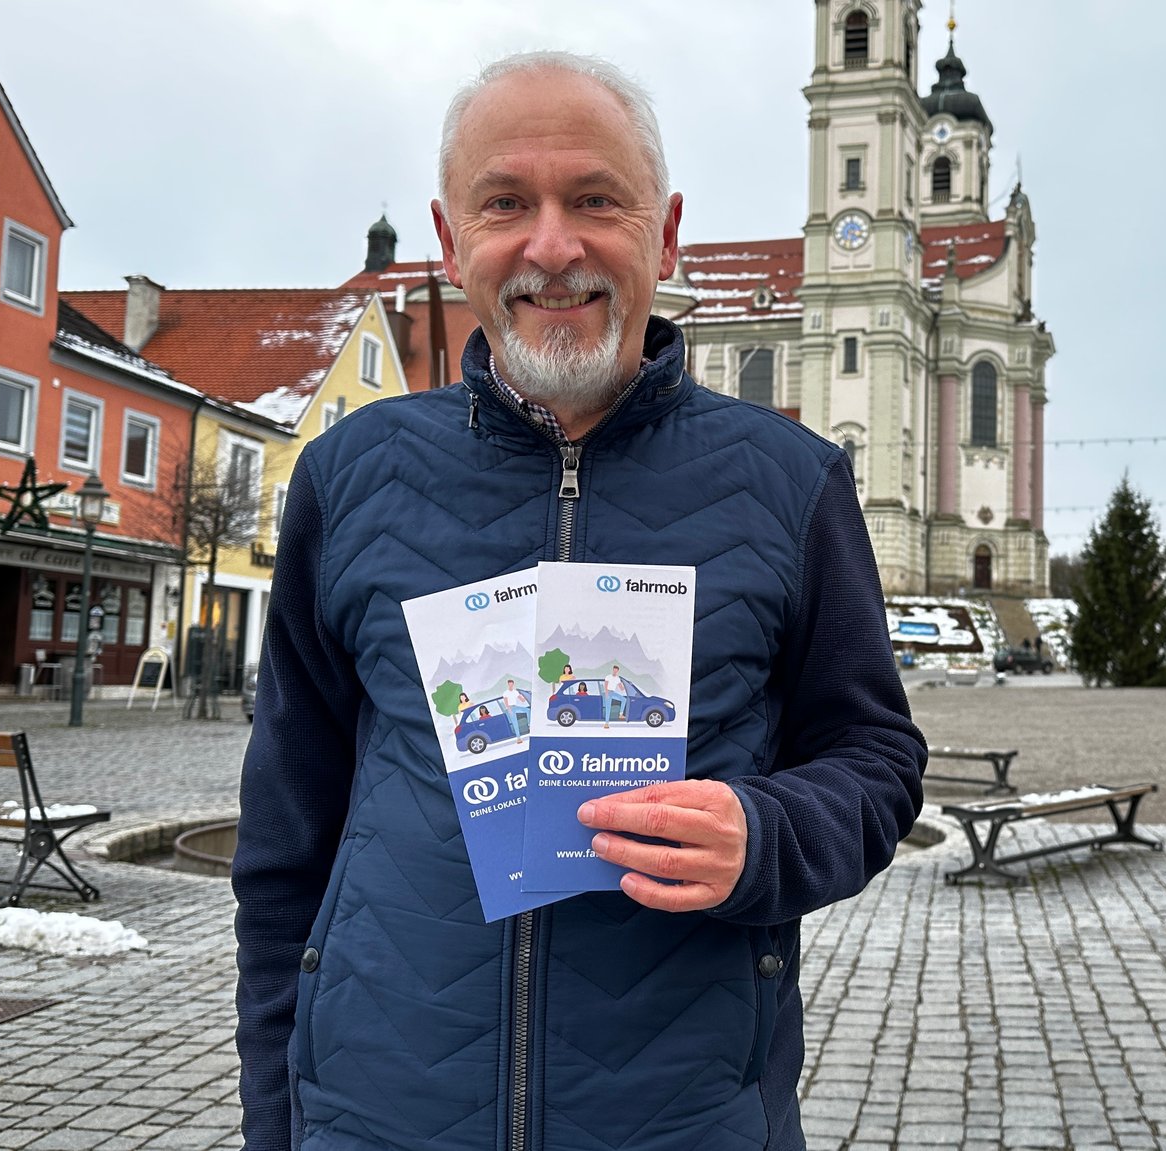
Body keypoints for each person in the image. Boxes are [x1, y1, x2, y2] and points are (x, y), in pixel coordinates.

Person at [233, 50, 924, 1151]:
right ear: (452, 237)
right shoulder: (349, 475)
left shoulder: (793, 482)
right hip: (380, 1117)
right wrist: (282, 1116)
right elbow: (284, 841)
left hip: (681, 1117)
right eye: (506, 203)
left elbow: (874, 762)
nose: (551, 246)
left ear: (664, 232)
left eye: (595, 199)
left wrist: (766, 832)